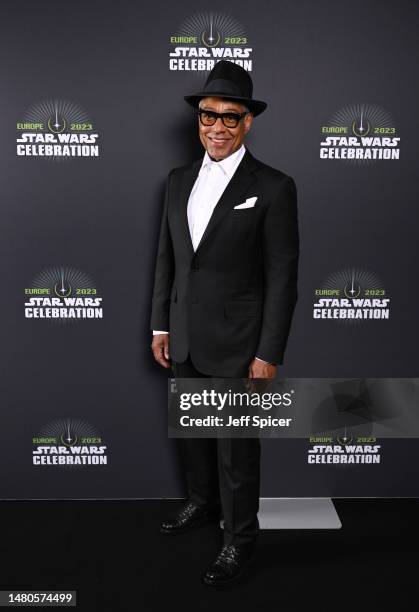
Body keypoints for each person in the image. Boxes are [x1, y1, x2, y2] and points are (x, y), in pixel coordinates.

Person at [150, 60, 299, 586]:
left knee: (237, 453)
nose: (216, 126)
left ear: (248, 122)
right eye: (207, 115)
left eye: (229, 118)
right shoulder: (176, 181)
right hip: (185, 338)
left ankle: (239, 541)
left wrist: (268, 353)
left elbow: (283, 279)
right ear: (198, 118)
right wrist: (159, 326)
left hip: (240, 346)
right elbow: (169, 258)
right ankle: (199, 503)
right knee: (194, 436)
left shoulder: (275, 188)